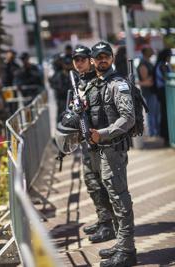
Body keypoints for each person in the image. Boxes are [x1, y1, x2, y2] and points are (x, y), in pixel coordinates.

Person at [86, 41, 136, 267]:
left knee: (119, 198)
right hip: (98, 150)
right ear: (93, 61)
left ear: (112, 59)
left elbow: (128, 117)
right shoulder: (93, 84)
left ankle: (127, 251)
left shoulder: (118, 84)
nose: (102, 60)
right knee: (110, 196)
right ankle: (120, 242)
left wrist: (103, 134)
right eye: (98, 57)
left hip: (113, 149)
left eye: (106, 56)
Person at [71, 44, 116, 243]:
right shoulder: (79, 82)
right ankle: (103, 219)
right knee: (91, 182)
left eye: (83, 59)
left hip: (100, 140)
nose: (79, 63)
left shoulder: (97, 80)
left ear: (91, 60)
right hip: (85, 139)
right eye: (76, 60)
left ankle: (109, 225)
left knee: (103, 183)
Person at [137, 46, 160, 137]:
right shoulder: (143, 64)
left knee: (154, 113)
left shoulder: (147, 62)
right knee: (151, 113)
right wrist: (154, 77)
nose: (152, 51)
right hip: (149, 92)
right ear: (145, 52)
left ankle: (154, 131)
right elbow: (145, 80)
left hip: (152, 91)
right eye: (150, 50)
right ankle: (152, 132)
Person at [154, 48, 172, 146]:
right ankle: (166, 137)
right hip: (164, 92)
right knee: (166, 115)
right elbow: (166, 77)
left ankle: (167, 136)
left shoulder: (161, 64)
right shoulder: (163, 65)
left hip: (163, 92)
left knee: (165, 114)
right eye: (169, 56)